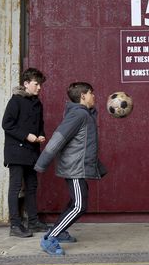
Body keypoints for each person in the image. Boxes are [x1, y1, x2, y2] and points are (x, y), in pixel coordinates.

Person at [34, 82, 106, 256]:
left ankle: (61, 231)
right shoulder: (78, 115)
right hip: (74, 168)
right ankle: (50, 238)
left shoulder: (84, 114)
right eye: (91, 93)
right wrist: (42, 163)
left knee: (76, 201)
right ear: (83, 96)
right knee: (79, 205)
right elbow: (58, 139)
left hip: (77, 166)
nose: (94, 96)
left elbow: (83, 145)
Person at [2, 67, 49, 237]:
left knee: (32, 187)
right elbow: (7, 124)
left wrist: (41, 135)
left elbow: (40, 125)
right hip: (16, 152)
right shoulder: (15, 101)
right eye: (36, 84)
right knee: (15, 188)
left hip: (32, 152)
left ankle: (33, 221)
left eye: (40, 84)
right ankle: (15, 225)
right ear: (26, 83)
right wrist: (26, 136)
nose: (39, 88)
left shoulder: (37, 103)